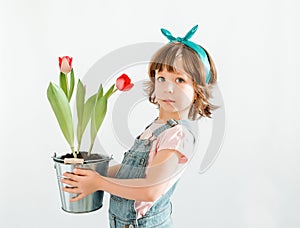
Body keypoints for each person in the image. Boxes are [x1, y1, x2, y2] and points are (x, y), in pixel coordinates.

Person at [61, 24, 218, 228]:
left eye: (180, 80)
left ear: (197, 90)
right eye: (161, 78)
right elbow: (132, 171)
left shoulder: (177, 136)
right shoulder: (157, 127)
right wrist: (96, 171)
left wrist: (99, 183)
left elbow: (150, 190)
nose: (167, 88)